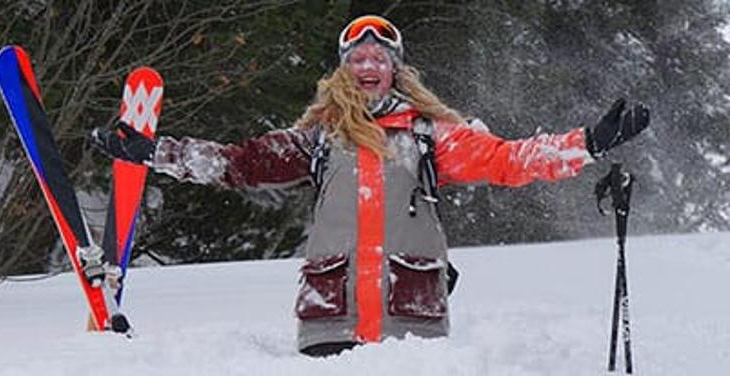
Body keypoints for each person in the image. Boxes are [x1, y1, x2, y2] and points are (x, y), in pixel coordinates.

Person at [91, 15, 650, 356]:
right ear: (343, 70)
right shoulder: (317, 138)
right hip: (328, 322)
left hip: (409, 324)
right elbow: (239, 164)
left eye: (377, 57)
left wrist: (589, 143)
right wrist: (154, 153)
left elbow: (510, 159)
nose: (367, 65)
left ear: (394, 69)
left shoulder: (431, 135)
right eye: (356, 57)